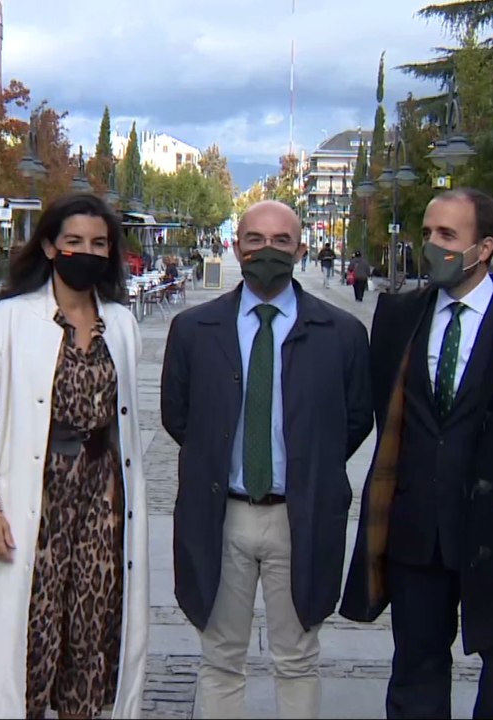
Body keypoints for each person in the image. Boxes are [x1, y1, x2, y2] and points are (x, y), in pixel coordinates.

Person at [341, 188, 493, 719]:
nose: (431, 245)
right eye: (428, 233)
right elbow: (388, 409)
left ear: (485, 248)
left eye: (447, 235)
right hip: (416, 534)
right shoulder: (399, 316)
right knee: (416, 673)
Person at [161, 200, 373, 718]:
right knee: (220, 658)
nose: (267, 250)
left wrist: (305, 462)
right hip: (222, 514)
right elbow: (178, 416)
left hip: (300, 516)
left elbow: (354, 419)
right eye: (254, 239)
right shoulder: (194, 329)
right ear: (236, 247)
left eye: (282, 241)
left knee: (297, 657)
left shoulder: (342, 333)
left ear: (302, 250)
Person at [0, 192, 149, 719]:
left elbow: (126, 422)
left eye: (99, 243)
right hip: (32, 496)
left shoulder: (123, 325)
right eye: (75, 241)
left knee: (91, 628)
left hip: (101, 501)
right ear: (50, 247)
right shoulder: (9, 320)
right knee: (29, 637)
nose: (88, 251)